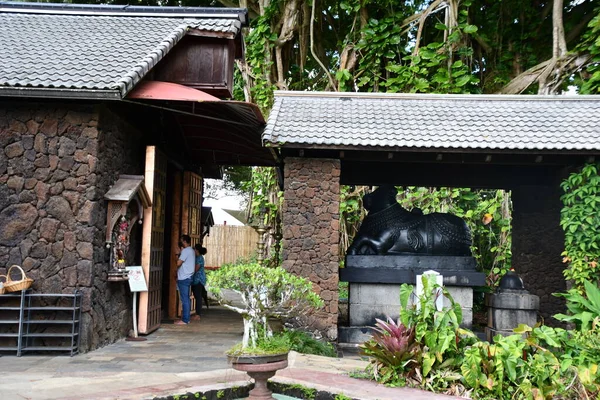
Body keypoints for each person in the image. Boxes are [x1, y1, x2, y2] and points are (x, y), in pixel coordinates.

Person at [175, 235, 194, 325]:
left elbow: (178, 263)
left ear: (185, 241)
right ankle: (187, 318)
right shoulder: (191, 250)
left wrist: (177, 255)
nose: (180, 242)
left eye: (181, 241)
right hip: (188, 277)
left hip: (184, 277)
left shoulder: (186, 251)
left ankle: (185, 320)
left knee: (185, 299)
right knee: (186, 298)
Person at [190, 245, 208, 321]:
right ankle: (198, 314)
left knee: (198, 297)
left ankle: (198, 315)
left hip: (198, 280)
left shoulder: (199, 258)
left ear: (196, 250)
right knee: (197, 296)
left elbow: (196, 269)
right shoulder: (197, 257)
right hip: (196, 280)